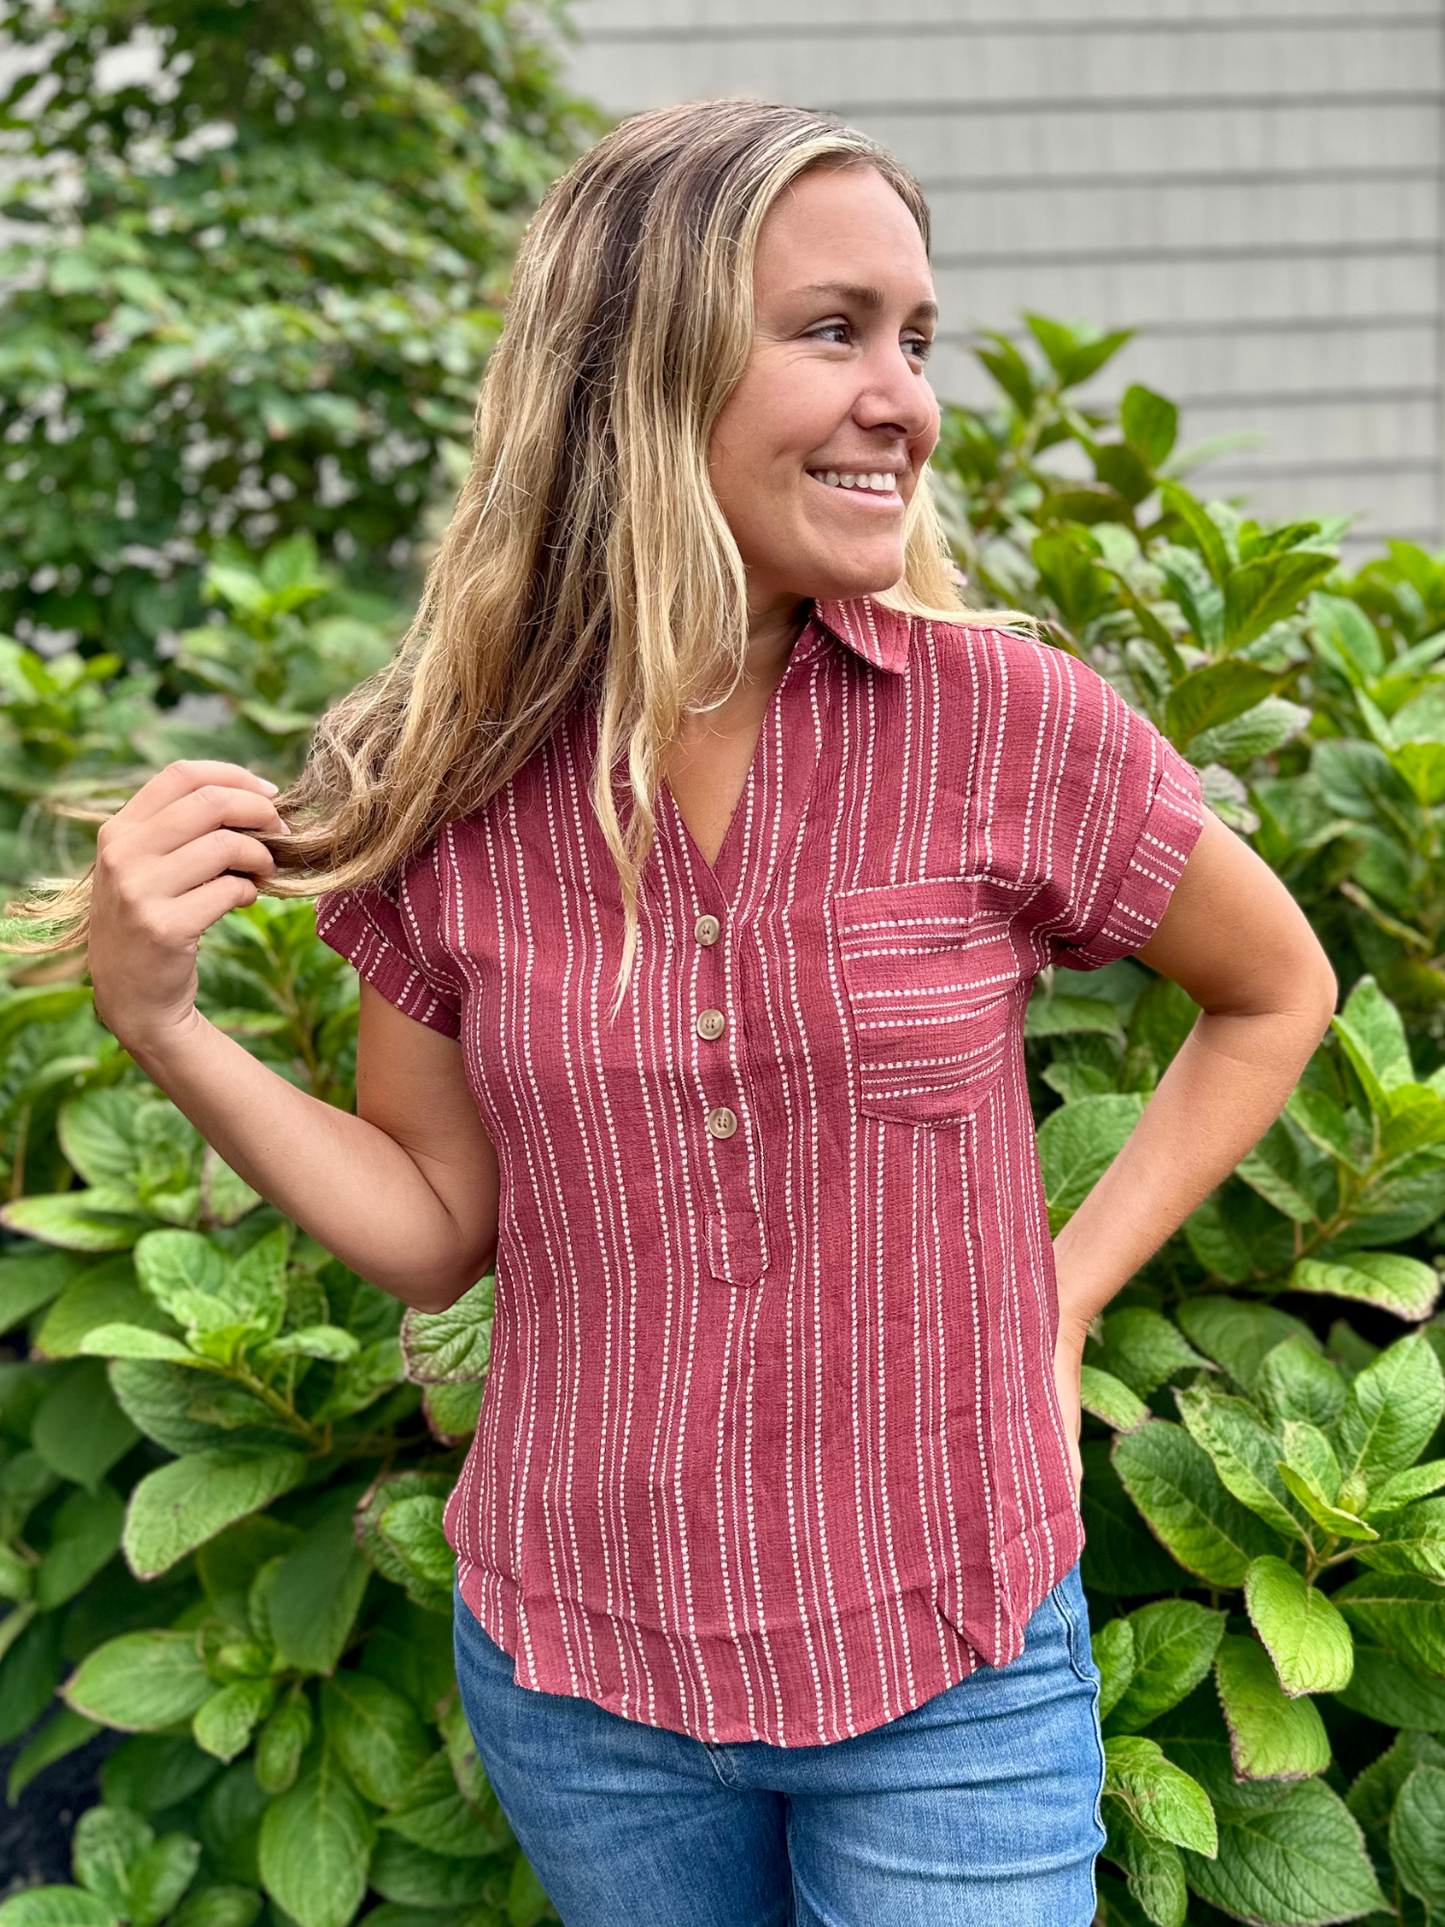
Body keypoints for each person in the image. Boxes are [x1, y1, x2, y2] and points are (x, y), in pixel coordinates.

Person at [35, 99, 1335, 1927]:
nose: (903, 399)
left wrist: (1064, 1290)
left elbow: (1275, 991)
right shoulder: (449, 772)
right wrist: (168, 1022)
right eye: (833, 330)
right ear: (636, 372)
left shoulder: (1008, 727)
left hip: (948, 1658)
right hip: (584, 1678)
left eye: (916, 339)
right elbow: (436, 1224)